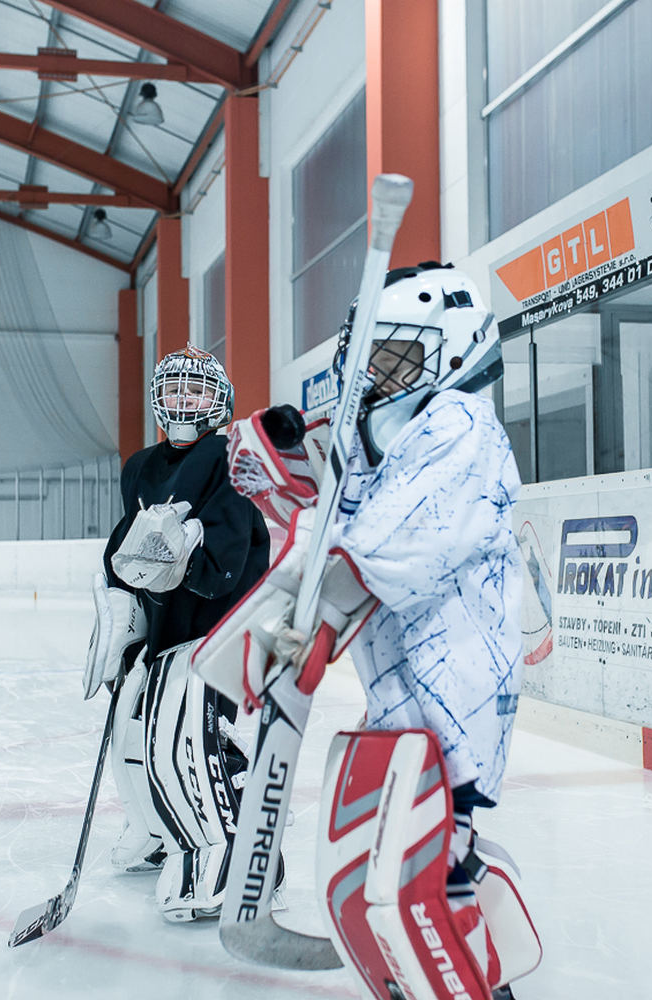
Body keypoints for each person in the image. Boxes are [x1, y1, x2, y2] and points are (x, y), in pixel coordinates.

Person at [215, 263, 537, 999]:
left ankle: (466, 978)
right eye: (370, 355)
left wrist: (318, 619)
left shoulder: (461, 427)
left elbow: (393, 544)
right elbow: (336, 518)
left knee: (421, 868)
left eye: (396, 356)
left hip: (457, 683)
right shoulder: (386, 437)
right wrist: (282, 470)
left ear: (455, 349)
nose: (377, 374)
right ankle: (446, 957)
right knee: (393, 857)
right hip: (401, 685)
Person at [86, 344, 272, 923]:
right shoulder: (141, 466)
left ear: (219, 400)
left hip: (215, 630)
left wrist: (187, 562)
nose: (184, 398)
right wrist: (122, 612)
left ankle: (226, 853)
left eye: (197, 389)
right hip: (163, 630)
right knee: (131, 737)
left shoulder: (228, 456)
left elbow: (228, 560)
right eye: (174, 388)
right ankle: (156, 827)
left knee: (182, 743)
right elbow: (126, 548)